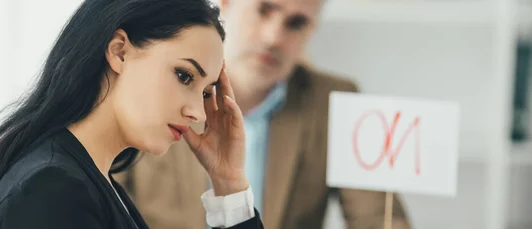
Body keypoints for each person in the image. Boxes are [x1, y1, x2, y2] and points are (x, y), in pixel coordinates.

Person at [115, 0, 413, 228]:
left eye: (296, 23)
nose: (273, 37)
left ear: (312, 30)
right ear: (226, 3)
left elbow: (379, 217)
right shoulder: (156, 80)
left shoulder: (335, 101)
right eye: (264, 10)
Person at [0, 0, 264, 228]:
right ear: (119, 51)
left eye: (204, 92)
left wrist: (228, 181)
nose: (198, 114)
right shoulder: (51, 189)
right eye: (184, 76)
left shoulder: (92, 179)